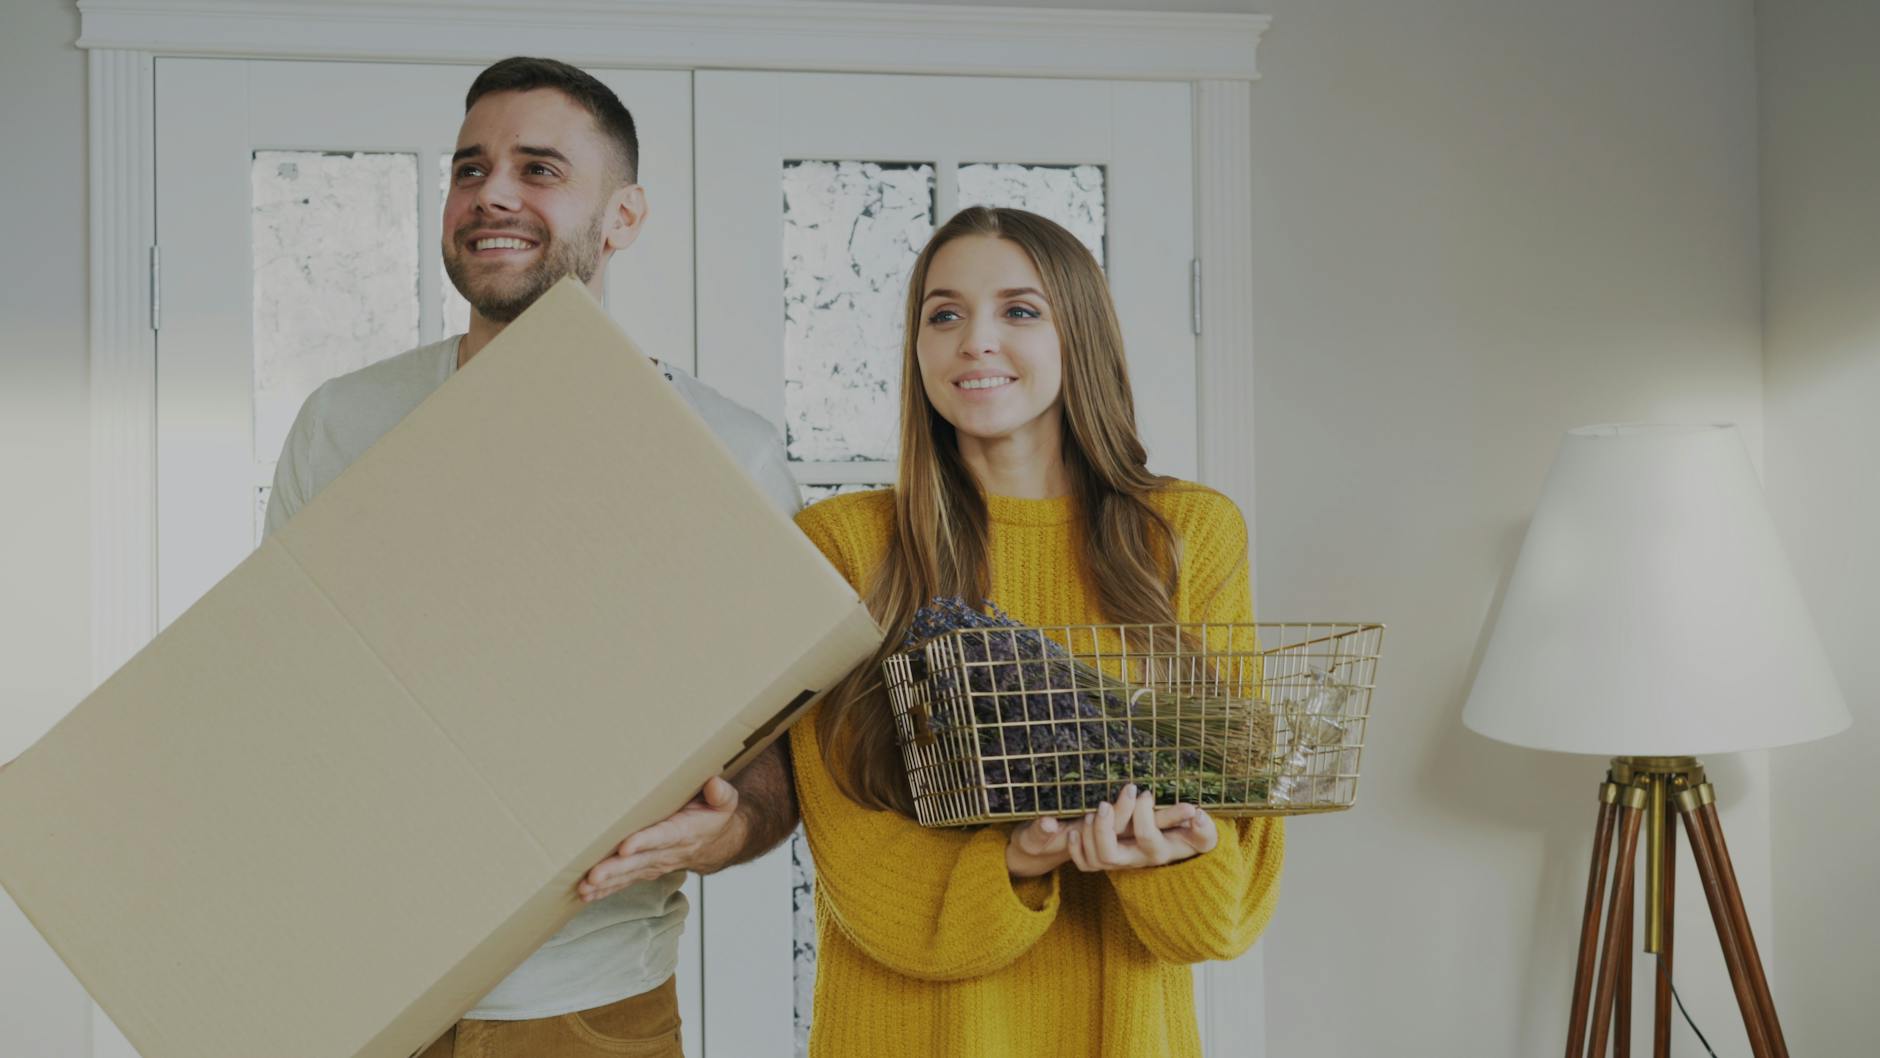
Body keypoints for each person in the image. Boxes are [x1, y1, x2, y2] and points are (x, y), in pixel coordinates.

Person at [264, 57, 799, 1058]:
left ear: (623, 216)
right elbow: (280, 697)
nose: (491, 193)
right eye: (469, 169)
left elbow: (780, 751)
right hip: (355, 993)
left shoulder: (726, 451)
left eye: (539, 168)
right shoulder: (341, 424)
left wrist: (725, 830)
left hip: (586, 1000)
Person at [789, 206, 1285, 1057]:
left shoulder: (1187, 534)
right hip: (912, 1031)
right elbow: (854, 856)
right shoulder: (843, 545)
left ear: (1079, 338)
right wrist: (1015, 858)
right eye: (943, 314)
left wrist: (1172, 856)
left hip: (1120, 1027)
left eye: (1019, 311)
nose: (974, 340)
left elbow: (1226, 907)